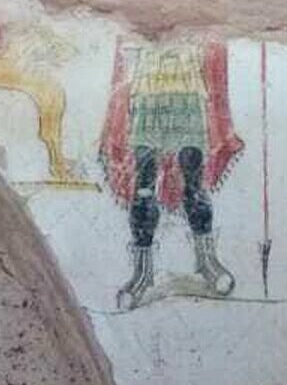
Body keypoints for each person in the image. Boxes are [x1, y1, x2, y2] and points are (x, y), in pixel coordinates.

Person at [97, 41, 244, 309]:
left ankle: (207, 262)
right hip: (147, 85)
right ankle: (142, 273)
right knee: (144, 185)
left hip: (188, 84)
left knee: (194, 181)